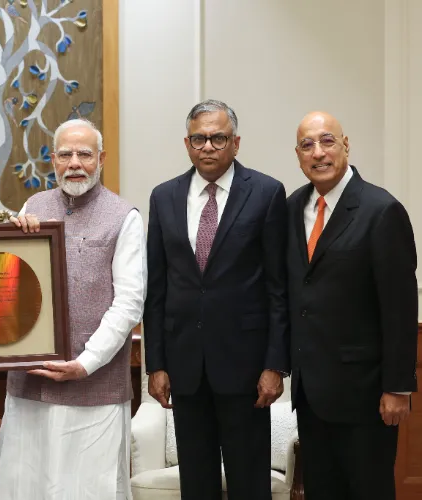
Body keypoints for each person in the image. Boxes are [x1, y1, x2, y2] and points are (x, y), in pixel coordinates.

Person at [144, 99, 289, 500]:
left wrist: (275, 364)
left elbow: (279, 288)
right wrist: (155, 364)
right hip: (185, 369)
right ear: (187, 143)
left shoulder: (265, 193)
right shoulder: (164, 197)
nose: (208, 147)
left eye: (218, 138)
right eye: (199, 138)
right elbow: (157, 289)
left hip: (246, 370)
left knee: (249, 483)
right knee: (198, 483)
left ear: (236, 143)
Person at [0, 118, 147, 499]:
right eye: (65, 154)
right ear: (52, 158)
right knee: (25, 486)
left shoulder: (124, 216)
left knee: (86, 490)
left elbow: (129, 303)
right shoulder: (33, 206)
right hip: (30, 385)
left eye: (85, 154)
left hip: (93, 389)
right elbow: (7, 283)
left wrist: (85, 362)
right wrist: (10, 244)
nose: (75, 162)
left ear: (101, 159)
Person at [287, 111, 418, 500]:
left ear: (346, 145)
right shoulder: (293, 207)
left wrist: (397, 387)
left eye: (328, 141)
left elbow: (399, 307)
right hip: (311, 394)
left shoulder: (381, 210)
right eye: (307, 145)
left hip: (366, 397)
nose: (318, 153)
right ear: (298, 156)